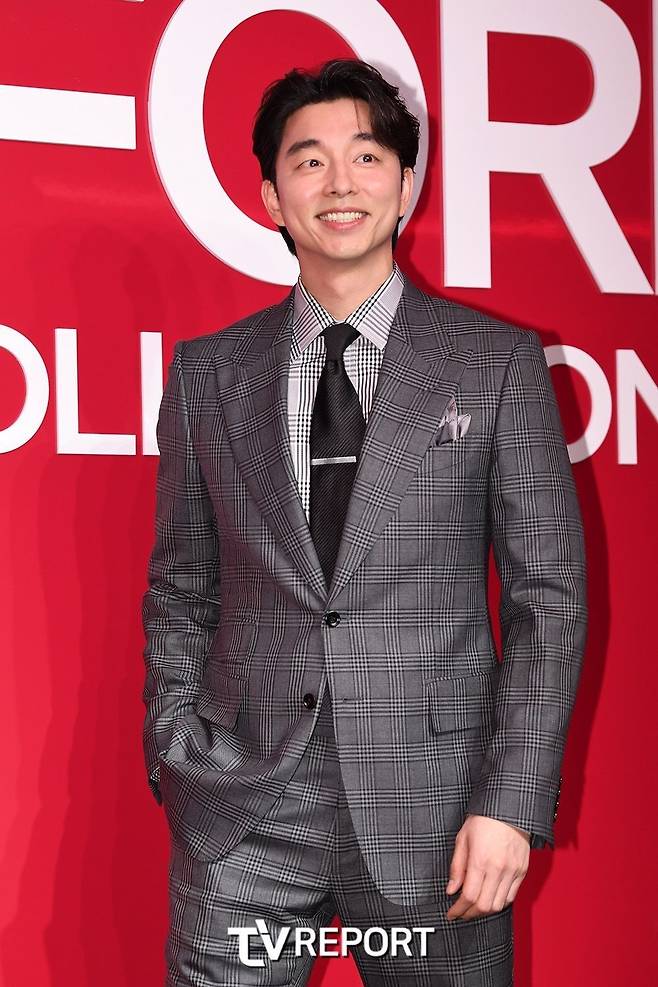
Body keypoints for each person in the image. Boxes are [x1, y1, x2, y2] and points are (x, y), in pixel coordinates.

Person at [141, 57, 588, 986]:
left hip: (442, 814)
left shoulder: (496, 365)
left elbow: (548, 600)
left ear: (406, 184)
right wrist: (175, 745)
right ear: (271, 196)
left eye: (368, 156)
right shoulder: (207, 374)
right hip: (246, 809)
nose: (340, 183)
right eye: (309, 161)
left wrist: (512, 799)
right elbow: (182, 585)